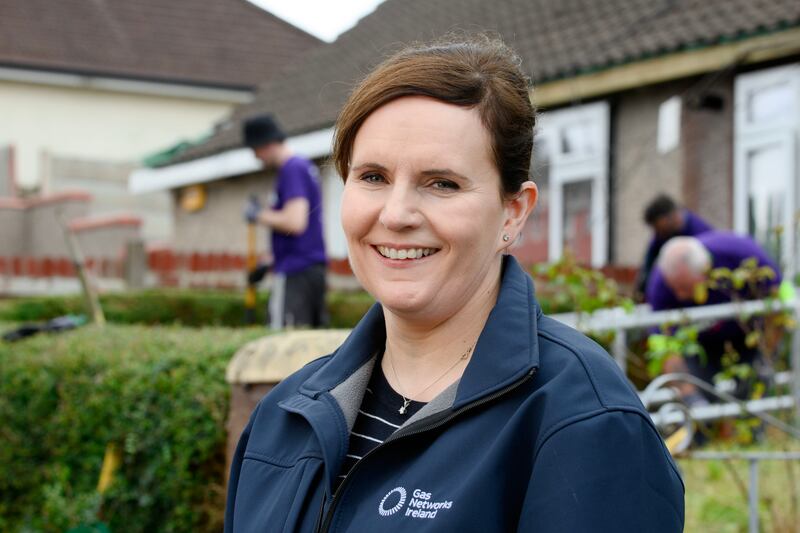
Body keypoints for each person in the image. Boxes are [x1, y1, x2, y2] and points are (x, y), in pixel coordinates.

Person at [227, 35, 684, 532]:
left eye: (442, 183)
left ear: (514, 212)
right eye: (373, 177)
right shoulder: (283, 417)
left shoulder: (584, 421)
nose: (396, 214)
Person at [646, 232, 782, 401]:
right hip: (700, 347)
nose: (679, 296)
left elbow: (777, 303)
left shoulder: (741, 255)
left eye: (686, 288)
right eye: (675, 288)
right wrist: (688, 395)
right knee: (702, 397)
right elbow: (663, 342)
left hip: (749, 338)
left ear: (705, 271)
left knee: (751, 395)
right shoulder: (661, 282)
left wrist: (766, 355)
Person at [243, 114, 328, 329]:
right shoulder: (302, 167)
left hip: (295, 271)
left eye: (255, 151)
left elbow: (295, 222)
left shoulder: (291, 168)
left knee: (283, 338)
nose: (256, 158)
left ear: (267, 144)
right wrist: (268, 262)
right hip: (308, 268)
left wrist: (258, 214)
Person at [635, 194, 713, 300]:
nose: (656, 232)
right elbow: (648, 267)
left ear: (670, 217)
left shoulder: (700, 233)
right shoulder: (662, 235)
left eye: (657, 227)